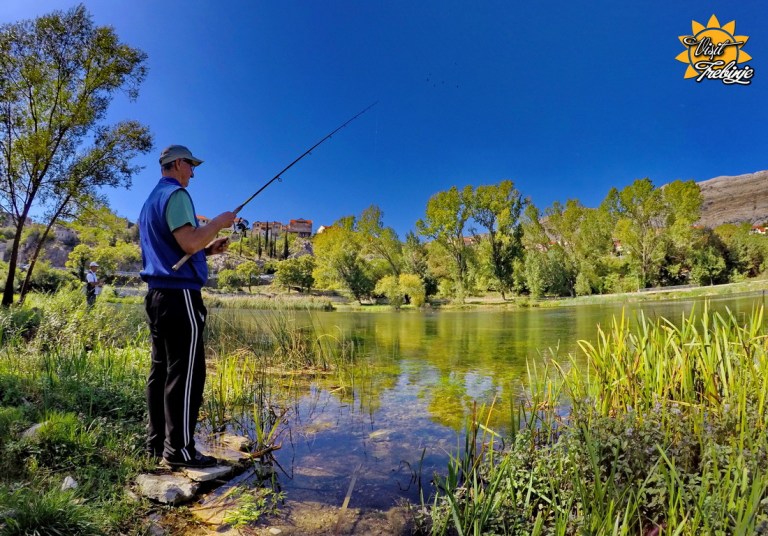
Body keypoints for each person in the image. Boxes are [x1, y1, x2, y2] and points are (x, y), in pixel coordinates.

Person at [139, 144, 235, 468]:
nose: (193, 172)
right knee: (187, 373)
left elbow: (175, 250)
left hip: (157, 296)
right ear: (178, 164)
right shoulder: (176, 195)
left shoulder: (151, 200)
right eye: (191, 166)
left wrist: (207, 253)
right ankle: (179, 451)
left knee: (161, 370)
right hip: (179, 297)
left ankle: (156, 445)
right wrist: (219, 223)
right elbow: (189, 241)